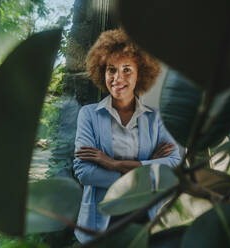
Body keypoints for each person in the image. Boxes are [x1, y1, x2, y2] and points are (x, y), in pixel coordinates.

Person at [73, 28, 181, 243]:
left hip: (148, 216)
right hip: (100, 219)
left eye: (127, 70)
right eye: (111, 70)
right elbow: (83, 171)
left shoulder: (155, 118)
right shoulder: (88, 115)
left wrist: (112, 163)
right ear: (102, 72)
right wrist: (148, 165)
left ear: (140, 73)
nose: (117, 78)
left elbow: (174, 163)